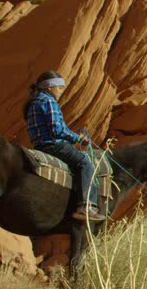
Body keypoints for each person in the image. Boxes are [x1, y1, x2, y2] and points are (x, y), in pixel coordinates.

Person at [23, 70, 106, 222]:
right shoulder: (49, 101)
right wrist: (77, 138)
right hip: (53, 145)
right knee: (85, 162)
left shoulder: (33, 102)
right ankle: (86, 207)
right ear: (49, 88)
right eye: (59, 88)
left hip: (39, 146)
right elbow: (57, 129)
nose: (61, 91)